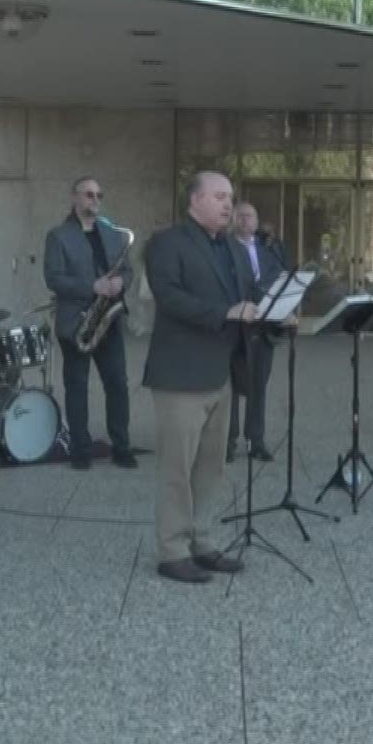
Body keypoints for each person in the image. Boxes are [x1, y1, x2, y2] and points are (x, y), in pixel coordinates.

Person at [142, 171, 258, 584]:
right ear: (195, 200)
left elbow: (251, 295)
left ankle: (202, 541)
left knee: (212, 466)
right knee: (177, 467)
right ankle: (172, 551)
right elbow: (170, 297)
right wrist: (225, 313)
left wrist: (278, 312)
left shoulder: (234, 248)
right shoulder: (167, 244)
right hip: (180, 375)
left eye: (231, 198)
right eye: (220, 197)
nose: (229, 205)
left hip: (221, 372)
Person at [44, 177, 135, 470]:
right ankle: (80, 450)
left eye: (99, 195)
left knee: (118, 384)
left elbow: (128, 270)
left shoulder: (112, 233)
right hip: (77, 322)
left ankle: (121, 446)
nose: (95, 199)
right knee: (77, 386)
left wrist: (122, 282)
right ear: (75, 198)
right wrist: (92, 286)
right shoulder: (58, 236)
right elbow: (54, 279)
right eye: (89, 194)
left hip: (109, 318)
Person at [228, 202, 289, 463]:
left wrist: (287, 311)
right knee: (230, 387)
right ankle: (227, 442)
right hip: (233, 326)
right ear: (233, 220)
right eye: (239, 215)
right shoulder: (224, 248)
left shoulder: (269, 251)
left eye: (249, 215)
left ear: (256, 221)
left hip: (263, 327)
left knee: (258, 386)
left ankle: (256, 440)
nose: (244, 220)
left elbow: (282, 281)